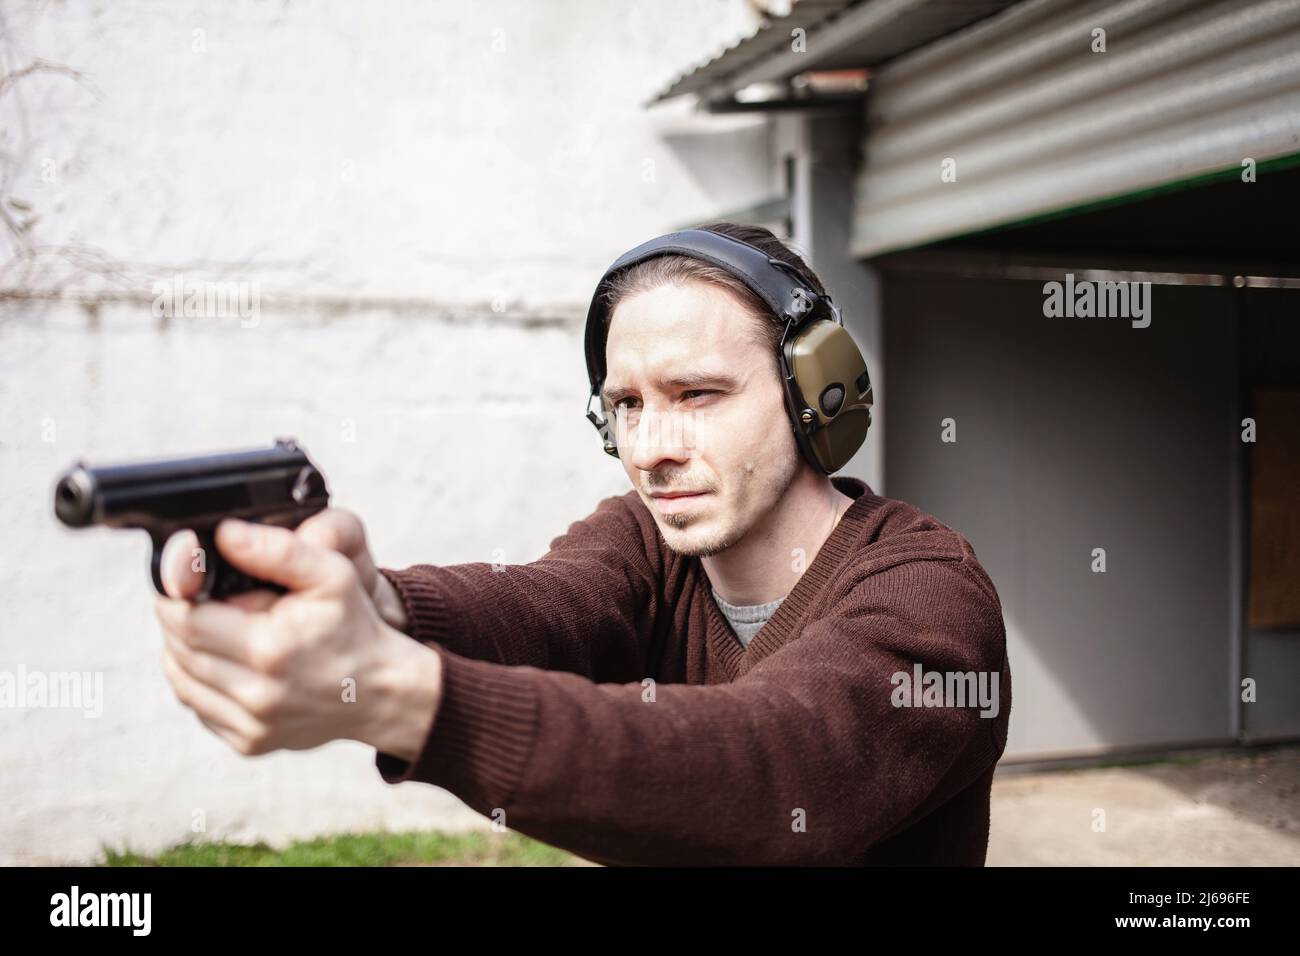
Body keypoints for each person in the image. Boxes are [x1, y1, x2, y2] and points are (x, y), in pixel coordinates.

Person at [154, 222, 1012, 866]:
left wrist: (400, 697)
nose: (649, 447)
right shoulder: (642, 543)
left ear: (814, 394)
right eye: (627, 405)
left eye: (698, 394)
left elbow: (773, 770)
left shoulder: (929, 595)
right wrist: (373, 602)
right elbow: (543, 603)